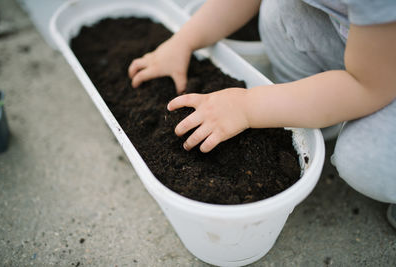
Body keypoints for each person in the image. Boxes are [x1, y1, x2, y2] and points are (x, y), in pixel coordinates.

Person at [128, 0, 396, 227]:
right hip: (370, 42)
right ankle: (318, 118)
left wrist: (247, 106)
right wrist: (182, 42)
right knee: (280, 10)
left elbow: (368, 85)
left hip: (378, 69)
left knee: (365, 161)